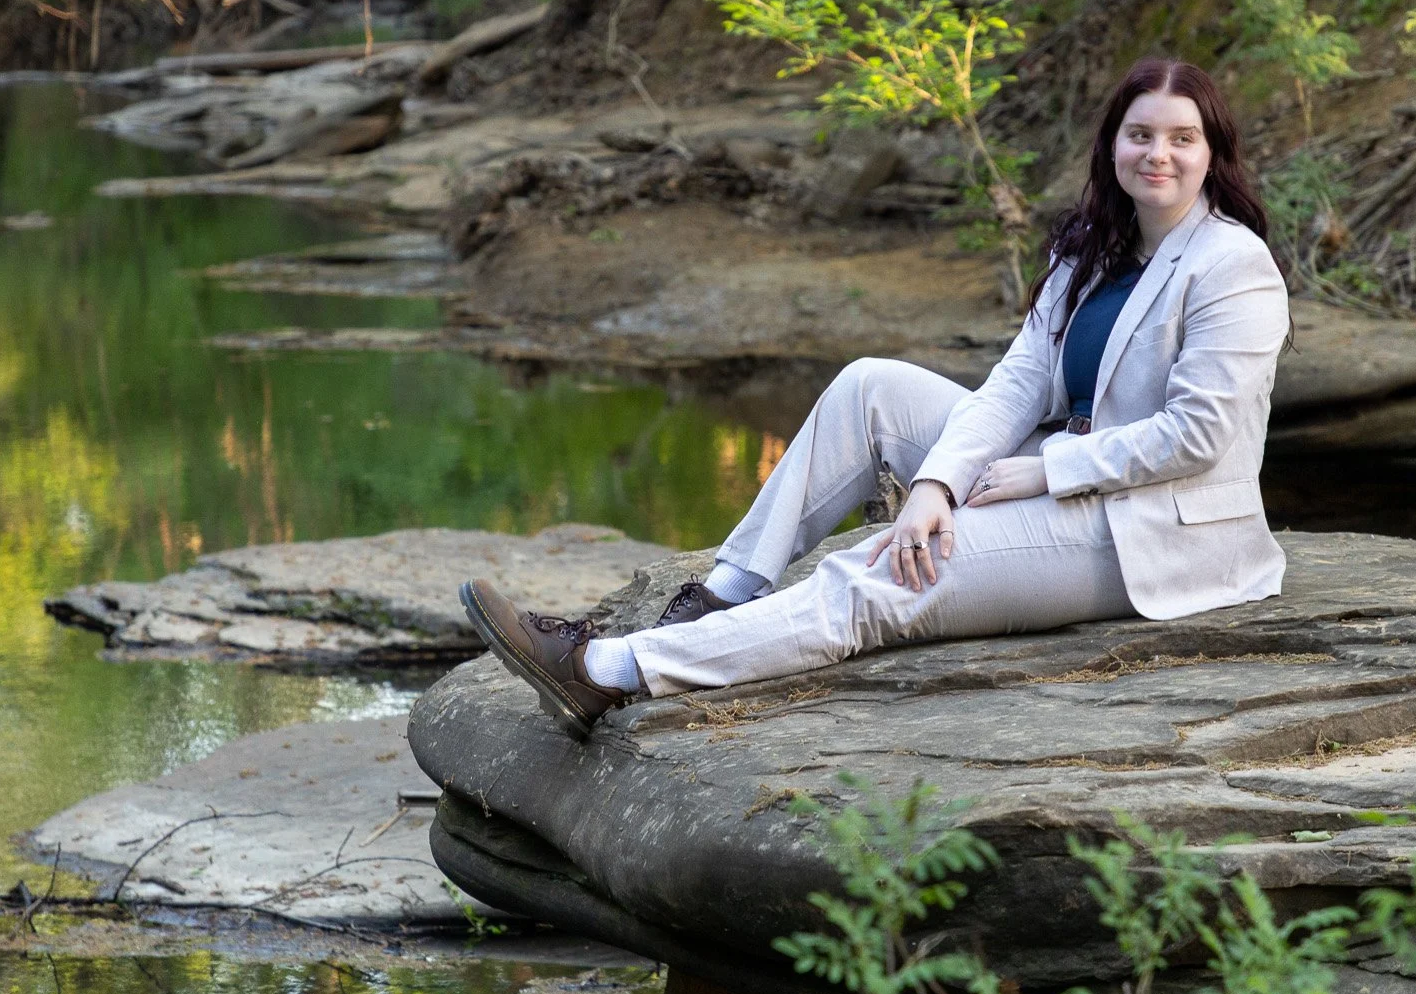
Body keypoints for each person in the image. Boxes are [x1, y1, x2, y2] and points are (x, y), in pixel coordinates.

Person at [458, 57, 1291, 736]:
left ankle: (611, 669)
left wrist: (1040, 475)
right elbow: (1021, 380)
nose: (1159, 154)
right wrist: (936, 484)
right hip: (1059, 468)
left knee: (885, 568)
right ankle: (722, 596)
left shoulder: (1233, 265)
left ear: (1213, 150)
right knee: (869, 388)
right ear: (1112, 143)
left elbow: (1197, 435)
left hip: (1154, 531)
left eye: (1182, 138)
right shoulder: (1094, 247)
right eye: (1140, 133)